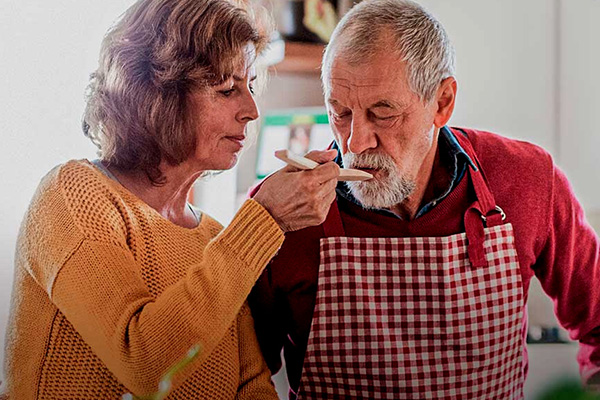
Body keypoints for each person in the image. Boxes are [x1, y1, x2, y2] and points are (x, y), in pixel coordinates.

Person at [249, 0, 600, 399]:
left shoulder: (527, 180)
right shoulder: (282, 214)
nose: (356, 142)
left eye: (383, 114)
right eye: (340, 112)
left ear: (442, 102)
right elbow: (242, 374)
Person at [0, 0, 341, 398]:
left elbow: (251, 386)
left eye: (249, 87)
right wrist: (265, 219)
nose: (251, 110)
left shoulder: (215, 237)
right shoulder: (73, 194)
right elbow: (145, 364)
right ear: (157, 94)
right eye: (227, 89)